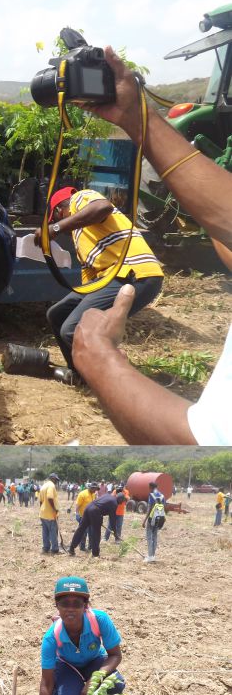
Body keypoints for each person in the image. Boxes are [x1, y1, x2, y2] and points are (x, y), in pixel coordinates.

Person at [71, 47, 232, 444]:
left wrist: (99, 359)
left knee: (70, 324)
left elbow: (205, 442)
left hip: (136, 277)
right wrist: (135, 116)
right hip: (130, 275)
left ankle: (75, 376)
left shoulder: (79, 202)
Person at [35, 186, 163, 377]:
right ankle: (79, 374)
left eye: (57, 219)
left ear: (61, 211)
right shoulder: (81, 240)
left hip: (134, 273)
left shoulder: (79, 198)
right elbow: (90, 283)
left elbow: (103, 207)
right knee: (57, 314)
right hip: (112, 278)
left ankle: (112, 380)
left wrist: (55, 228)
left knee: (72, 330)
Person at [28, 576, 125, 695]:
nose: (70, 609)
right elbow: (46, 683)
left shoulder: (100, 620)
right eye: (65, 603)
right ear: (57, 605)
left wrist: (94, 679)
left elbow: (115, 655)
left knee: (116, 684)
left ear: (86, 605)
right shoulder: (51, 638)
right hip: (67, 665)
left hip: (95, 660)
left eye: (77, 603)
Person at [69, 491, 126, 558]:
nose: (122, 503)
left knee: (81, 529)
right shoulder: (114, 503)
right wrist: (115, 533)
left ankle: (71, 548)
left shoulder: (108, 495)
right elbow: (112, 520)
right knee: (96, 533)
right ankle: (95, 554)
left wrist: (99, 519)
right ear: (120, 499)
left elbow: (101, 506)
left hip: (88, 508)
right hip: (95, 511)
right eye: (122, 501)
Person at [143, 481, 165, 563]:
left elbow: (149, 509)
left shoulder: (151, 495)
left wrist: (144, 520)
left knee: (149, 537)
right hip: (159, 519)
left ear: (151, 487)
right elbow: (163, 507)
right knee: (155, 537)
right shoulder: (162, 496)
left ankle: (149, 556)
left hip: (151, 519)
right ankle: (153, 556)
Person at [39, 473, 60, 555]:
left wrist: (42, 509)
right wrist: (54, 509)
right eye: (56, 480)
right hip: (50, 514)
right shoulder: (51, 486)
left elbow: (41, 501)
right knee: (53, 531)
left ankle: (46, 548)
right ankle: (54, 549)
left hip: (43, 513)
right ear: (53, 479)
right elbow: (50, 498)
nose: (56, 482)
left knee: (45, 532)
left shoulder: (44, 486)